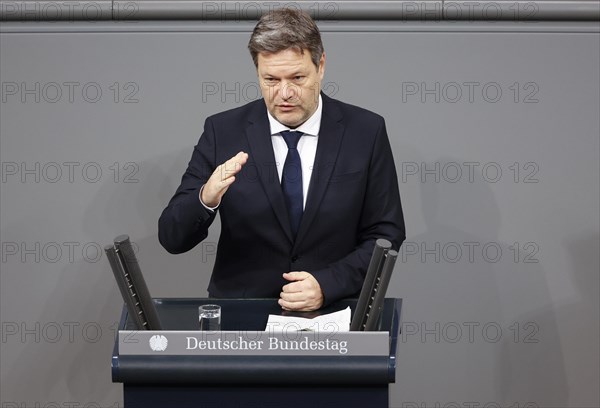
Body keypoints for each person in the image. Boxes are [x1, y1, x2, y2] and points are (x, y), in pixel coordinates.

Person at [158, 8, 405, 312]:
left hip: (334, 315)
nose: (285, 93)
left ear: (321, 65)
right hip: (242, 319)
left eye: (298, 77)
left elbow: (387, 235)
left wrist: (328, 284)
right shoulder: (223, 131)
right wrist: (206, 198)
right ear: (257, 72)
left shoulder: (366, 131)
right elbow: (172, 237)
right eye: (271, 79)